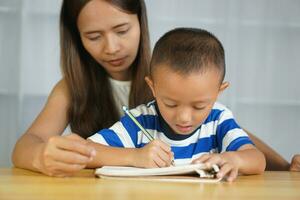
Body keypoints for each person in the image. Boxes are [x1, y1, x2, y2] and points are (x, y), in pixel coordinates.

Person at [87, 27, 266, 182]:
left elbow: (257, 159)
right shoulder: (141, 121)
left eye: (198, 106)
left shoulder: (219, 119)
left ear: (218, 91)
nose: (184, 117)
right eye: (171, 104)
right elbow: (87, 152)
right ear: (153, 87)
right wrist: (135, 156)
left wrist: (235, 160)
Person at [12, 0, 152, 177]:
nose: (111, 48)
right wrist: (41, 156)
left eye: (122, 31)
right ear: (77, 37)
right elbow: (22, 148)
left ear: (141, 21)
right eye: (94, 36)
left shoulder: (171, 78)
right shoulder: (71, 88)